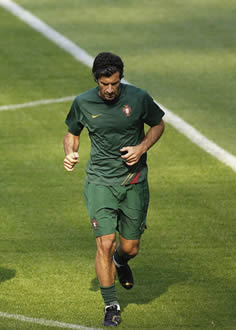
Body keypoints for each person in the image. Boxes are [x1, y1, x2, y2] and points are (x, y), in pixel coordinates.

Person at [63, 52, 165, 327]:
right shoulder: (83, 102)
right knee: (104, 244)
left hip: (133, 182)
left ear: (121, 78)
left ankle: (122, 262)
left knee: (130, 247)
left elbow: (158, 124)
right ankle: (111, 305)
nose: (109, 89)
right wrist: (71, 152)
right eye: (104, 84)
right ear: (96, 79)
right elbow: (73, 132)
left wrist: (142, 147)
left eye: (115, 84)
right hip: (99, 183)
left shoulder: (139, 98)